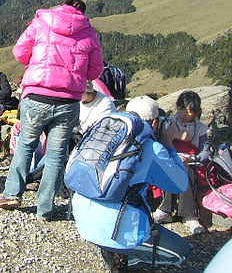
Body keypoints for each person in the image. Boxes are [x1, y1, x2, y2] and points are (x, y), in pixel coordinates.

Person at [0, 0, 104, 221]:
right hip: (68, 101)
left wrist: (36, 63)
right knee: (55, 155)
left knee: (25, 145)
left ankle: (12, 194)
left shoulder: (42, 22)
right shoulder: (89, 32)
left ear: (62, 6)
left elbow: (19, 52)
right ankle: (45, 208)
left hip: (36, 95)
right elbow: (94, 72)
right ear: (82, 12)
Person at [72, 96, 190, 271]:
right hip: (115, 229)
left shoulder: (106, 134)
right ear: (155, 123)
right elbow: (180, 185)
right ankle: (129, 256)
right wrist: (169, 145)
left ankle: (112, 249)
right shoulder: (151, 147)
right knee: (181, 252)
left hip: (83, 222)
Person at [153, 90, 210, 234]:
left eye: (188, 111)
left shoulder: (201, 129)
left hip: (193, 163)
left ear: (197, 112)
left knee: (185, 168)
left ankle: (188, 215)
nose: (183, 114)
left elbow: (205, 152)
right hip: (172, 157)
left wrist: (193, 158)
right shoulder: (170, 122)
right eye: (180, 109)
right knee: (172, 166)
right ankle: (167, 210)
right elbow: (164, 143)